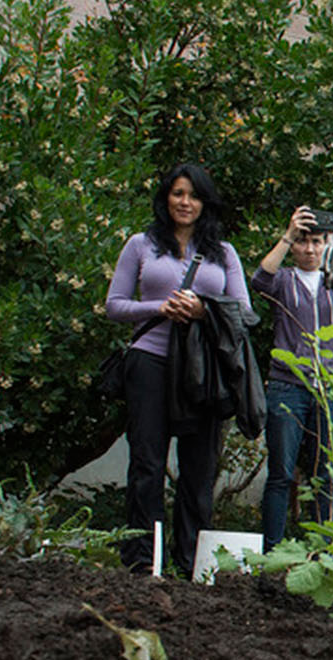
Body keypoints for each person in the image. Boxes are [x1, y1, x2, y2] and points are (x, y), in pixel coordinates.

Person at [105, 163, 253, 574]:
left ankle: (192, 565)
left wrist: (203, 310)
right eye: (177, 194)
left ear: (205, 202)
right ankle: (143, 563)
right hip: (149, 361)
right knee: (147, 465)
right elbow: (114, 305)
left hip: (203, 372)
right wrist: (160, 307)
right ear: (165, 199)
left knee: (198, 470)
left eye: (193, 195)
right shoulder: (141, 244)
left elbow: (245, 313)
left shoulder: (224, 253)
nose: (185, 203)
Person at [251, 206, 333, 551]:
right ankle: (273, 550)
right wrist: (286, 235)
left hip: (331, 388)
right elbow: (259, 280)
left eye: (317, 242)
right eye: (303, 242)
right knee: (280, 473)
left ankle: (321, 549)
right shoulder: (283, 280)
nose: (309, 249)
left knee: (326, 475)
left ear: (327, 244)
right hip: (287, 385)